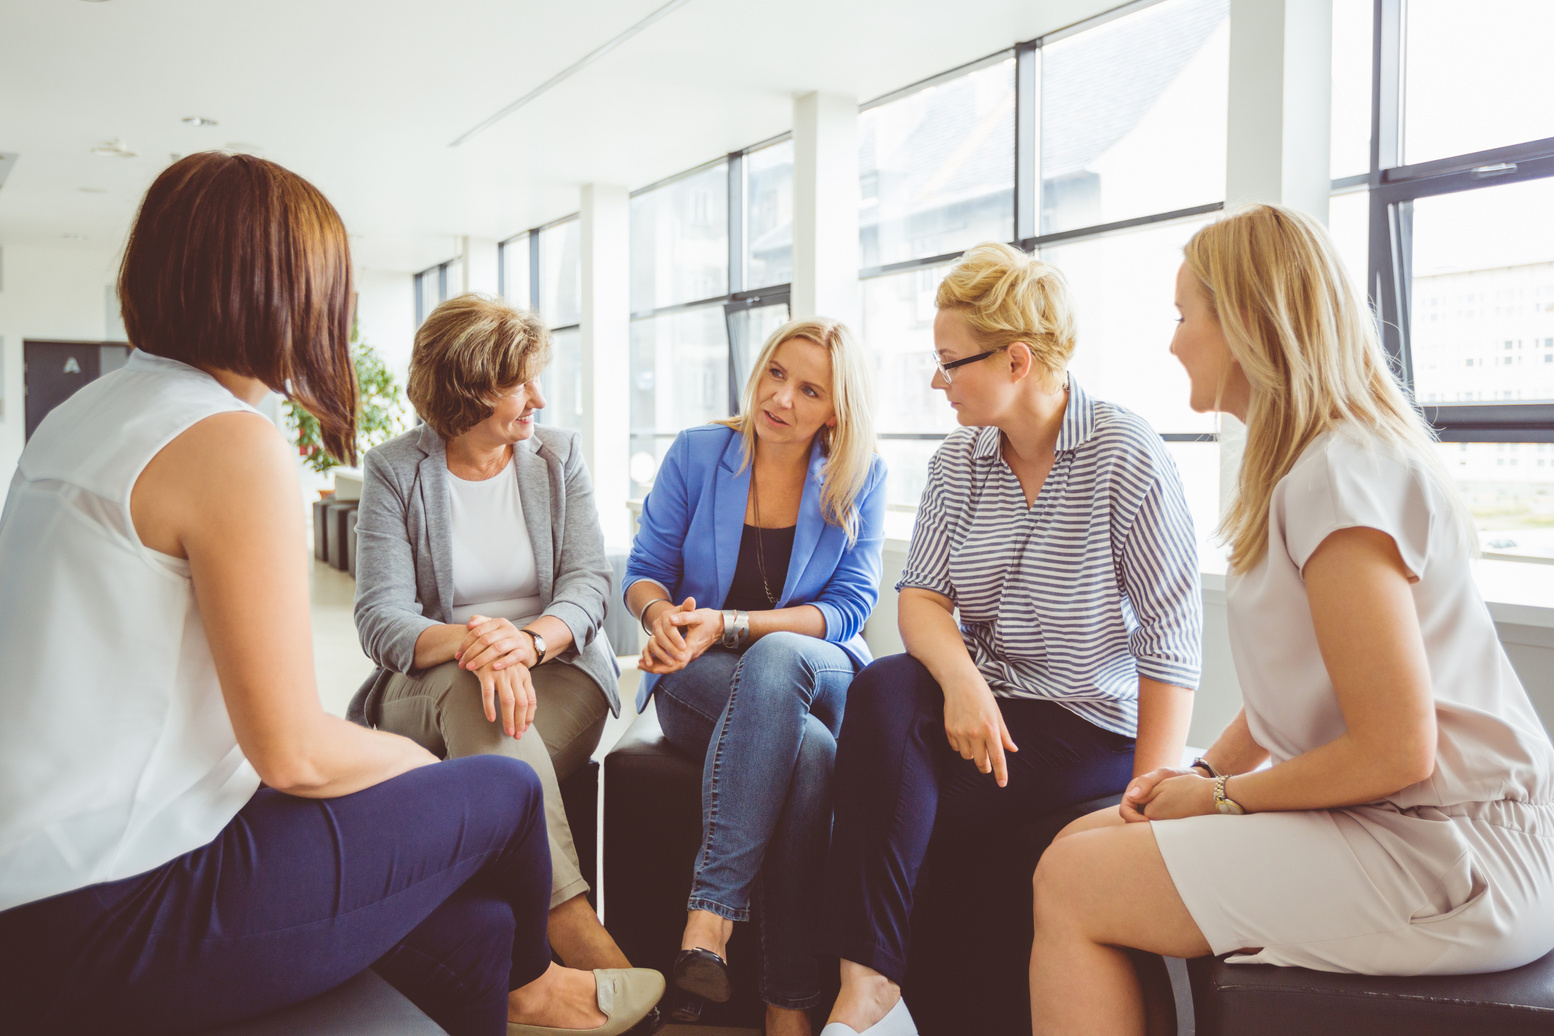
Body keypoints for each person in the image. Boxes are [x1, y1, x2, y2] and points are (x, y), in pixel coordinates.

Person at [0, 152, 660, 1036]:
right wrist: (429, 783)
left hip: (45, 886)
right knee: (496, 796)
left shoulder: (87, 416)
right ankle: (543, 987)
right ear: (283, 292)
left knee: (477, 924)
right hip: (115, 907)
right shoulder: (229, 442)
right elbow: (294, 754)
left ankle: (521, 993)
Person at [1027, 203, 1554, 1035]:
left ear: (1241, 322)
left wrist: (1223, 798)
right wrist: (1202, 777)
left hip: (1454, 855)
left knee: (1074, 883)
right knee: (1077, 844)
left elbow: (1396, 747)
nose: (1172, 341)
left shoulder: (1339, 475)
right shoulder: (1313, 466)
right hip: (1405, 824)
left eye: (1182, 316)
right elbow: (1306, 688)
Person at [815, 243, 1203, 1036]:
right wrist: (964, 684)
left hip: (1088, 722)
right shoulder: (959, 460)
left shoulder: (1127, 457)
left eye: (950, 361)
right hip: (990, 701)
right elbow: (921, 597)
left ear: (1017, 360)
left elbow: (1170, 642)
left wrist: (1150, 799)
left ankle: (905, 1003)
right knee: (884, 686)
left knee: (920, 817)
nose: (937, 379)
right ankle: (869, 982)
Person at [350, 292, 648, 986]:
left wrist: (528, 643)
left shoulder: (557, 459)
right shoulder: (396, 470)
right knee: (471, 688)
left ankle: (538, 953)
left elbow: (587, 587)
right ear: (467, 387)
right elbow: (382, 616)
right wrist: (473, 643)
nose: (538, 397)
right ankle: (572, 925)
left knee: (488, 704)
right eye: (518, 382)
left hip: (559, 669)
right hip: (430, 677)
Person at [623, 317, 886, 1036]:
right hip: (697, 673)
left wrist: (734, 624)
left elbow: (851, 606)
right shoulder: (700, 452)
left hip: (815, 669)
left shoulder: (858, 471)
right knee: (807, 755)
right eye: (776, 373)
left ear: (836, 409)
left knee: (775, 660)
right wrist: (663, 621)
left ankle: (709, 918)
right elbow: (644, 574)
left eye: (808, 389)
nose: (781, 398)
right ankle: (788, 1004)